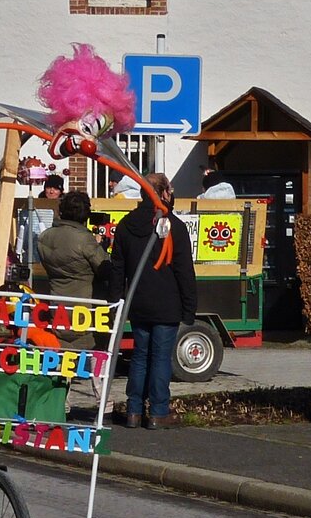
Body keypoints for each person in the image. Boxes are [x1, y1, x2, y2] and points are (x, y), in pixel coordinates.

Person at [109, 175, 197, 429]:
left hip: (138, 301)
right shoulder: (175, 227)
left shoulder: (125, 225)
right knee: (160, 358)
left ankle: (134, 410)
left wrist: (115, 301)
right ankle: (158, 412)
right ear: (164, 193)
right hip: (167, 303)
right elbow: (184, 271)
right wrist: (189, 306)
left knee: (139, 356)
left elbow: (118, 267)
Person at [38, 191, 111, 408]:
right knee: (94, 352)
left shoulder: (45, 236)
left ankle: (63, 401)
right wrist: (101, 246)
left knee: (63, 355)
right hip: (84, 304)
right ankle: (101, 398)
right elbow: (104, 268)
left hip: (56, 304)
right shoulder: (85, 240)